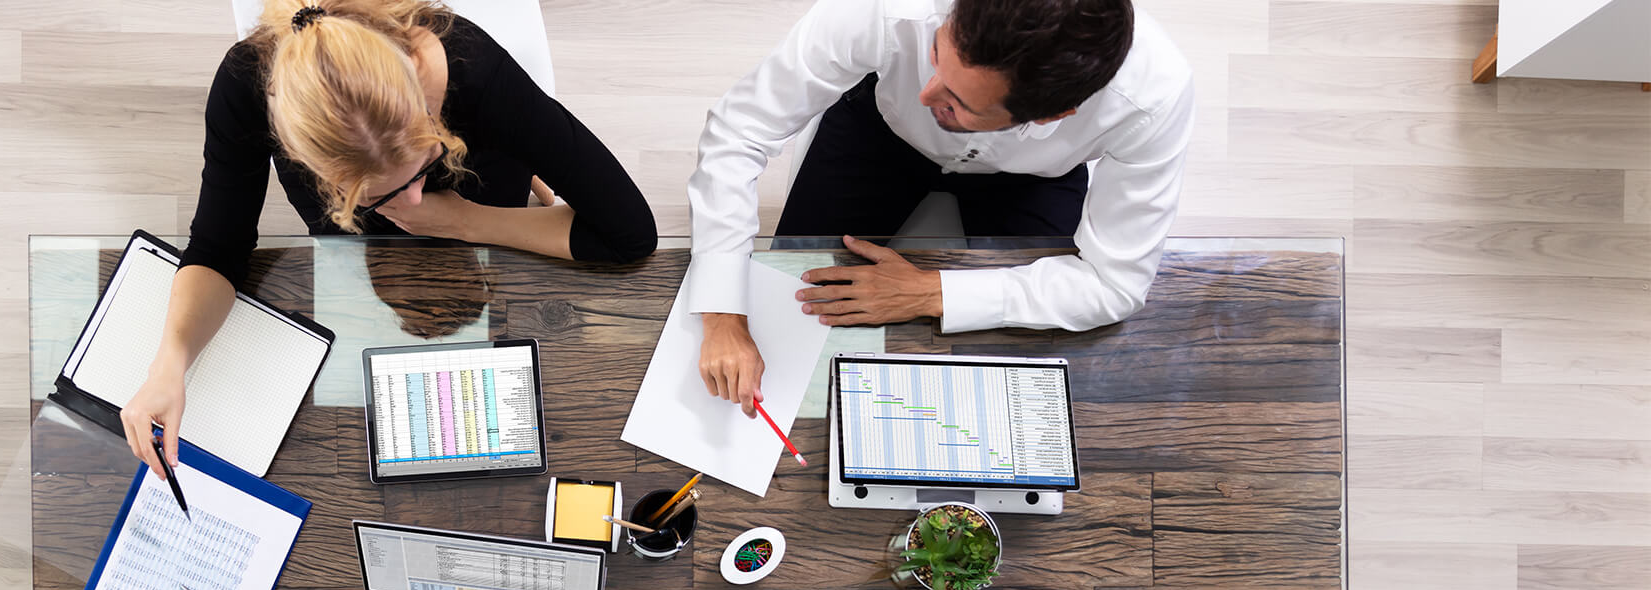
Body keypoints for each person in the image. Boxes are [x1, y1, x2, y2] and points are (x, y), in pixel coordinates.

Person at [121, 0, 658, 471]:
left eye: (424, 164)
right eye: (377, 195)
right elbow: (218, 249)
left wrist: (463, 220)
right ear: (309, 163)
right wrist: (169, 364)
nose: (413, 202)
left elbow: (631, 236)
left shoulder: (470, 66)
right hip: (360, 252)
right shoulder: (247, 84)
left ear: (426, 109)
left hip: (479, 198)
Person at [686, 0, 1194, 415]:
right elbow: (739, 131)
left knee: (1019, 371)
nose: (927, 93)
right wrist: (722, 314)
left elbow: (1115, 285)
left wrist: (931, 293)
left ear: (1055, 115)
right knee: (791, 297)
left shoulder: (1154, 98)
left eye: (960, 101)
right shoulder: (884, 9)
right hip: (878, 133)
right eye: (934, 56)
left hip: (1033, 179)